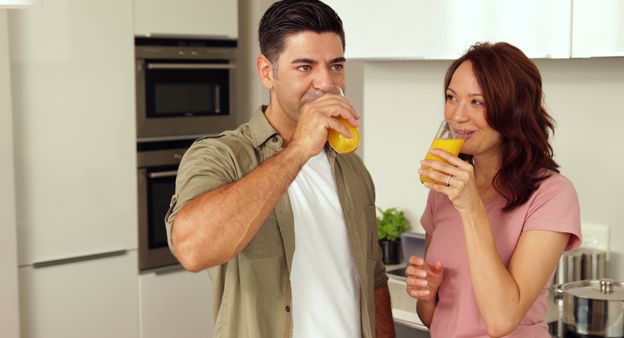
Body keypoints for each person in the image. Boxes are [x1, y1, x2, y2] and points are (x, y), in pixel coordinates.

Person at [164, 1, 394, 337]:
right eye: (304, 67)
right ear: (267, 72)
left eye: (335, 66)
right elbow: (192, 250)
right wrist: (299, 149)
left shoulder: (352, 168)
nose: (325, 83)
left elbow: (374, 278)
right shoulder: (220, 155)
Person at [405, 42, 581, 338]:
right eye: (451, 97)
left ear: (514, 110)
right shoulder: (443, 188)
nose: (457, 115)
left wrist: (471, 207)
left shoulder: (552, 195)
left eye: (478, 102)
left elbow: (501, 320)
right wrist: (426, 293)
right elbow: (436, 319)